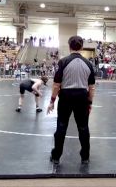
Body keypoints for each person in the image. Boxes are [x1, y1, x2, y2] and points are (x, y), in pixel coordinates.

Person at [47, 36, 95, 165]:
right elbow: (91, 87)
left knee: (61, 127)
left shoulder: (63, 62)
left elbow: (56, 85)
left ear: (69, 47)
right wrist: (89, 103)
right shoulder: (88, 64)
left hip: (66, 97)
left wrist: (52, 101)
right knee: (83, 128)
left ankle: (56, 156)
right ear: (82, 47)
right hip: (82, 97)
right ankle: (85, 157)